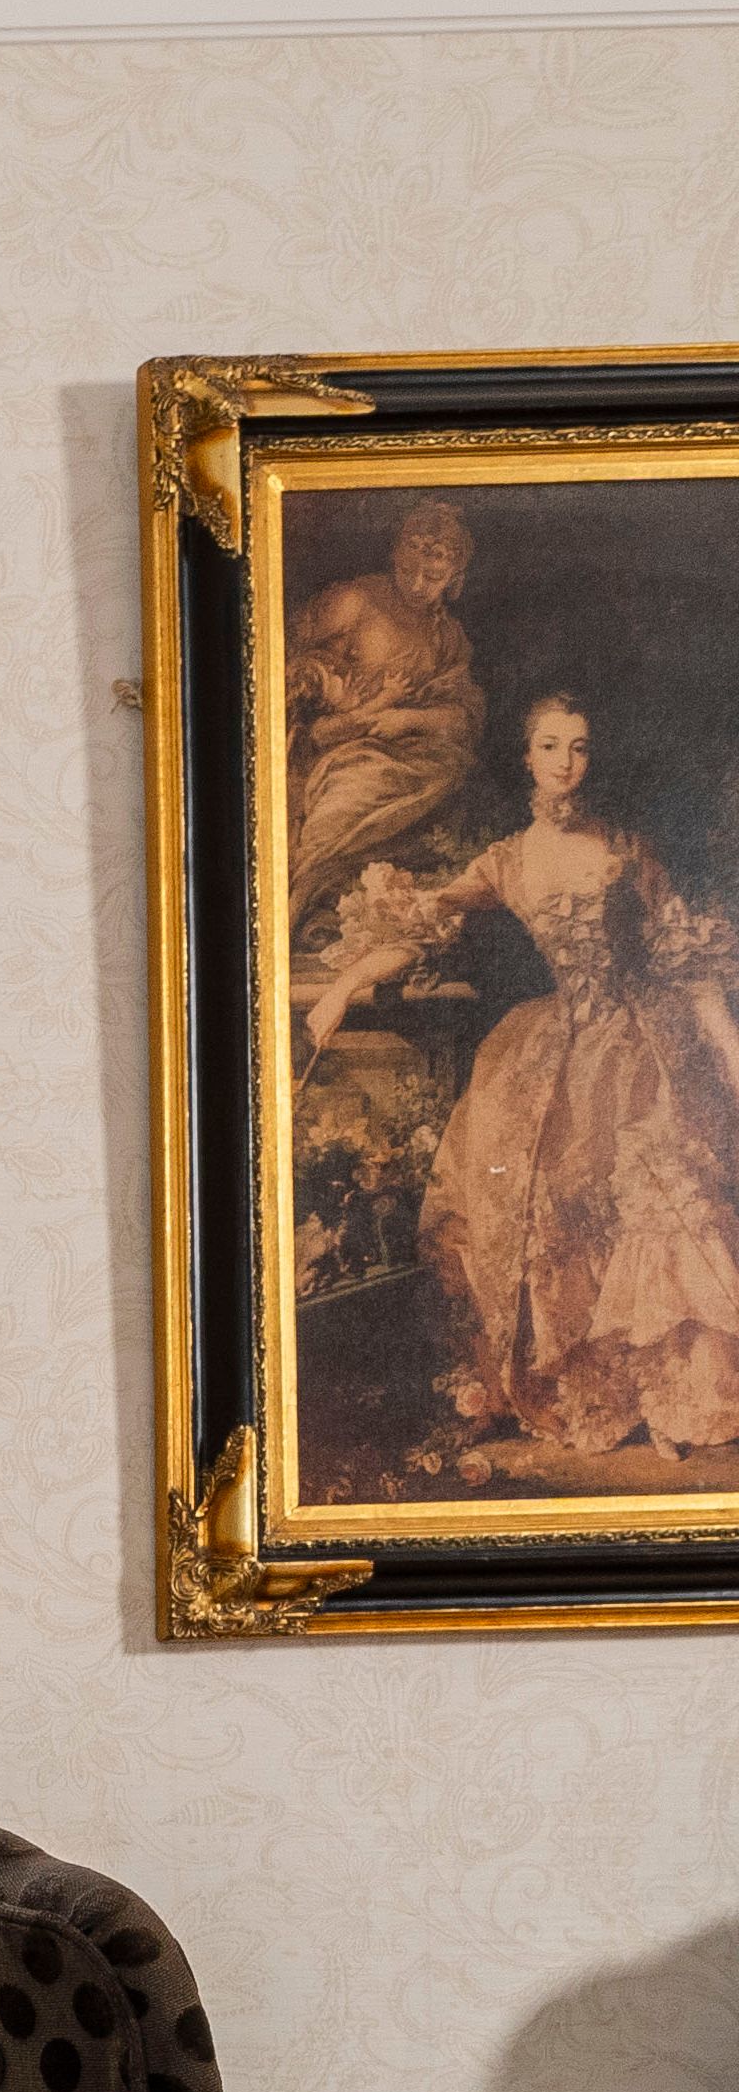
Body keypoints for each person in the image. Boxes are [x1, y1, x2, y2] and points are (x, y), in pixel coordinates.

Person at [310, 693, 739, 1460]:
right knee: (548, 1206)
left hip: (638, 1045)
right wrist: (340, 990)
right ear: (527, 758)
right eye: (550, 746)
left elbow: (690, 961)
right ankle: (595, 1392)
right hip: (554, 1045)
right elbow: (418, 928)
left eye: (578, 747)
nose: (566, 763)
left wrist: (729, 1052)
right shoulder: (505, 860)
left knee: (653, 1201)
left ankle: (670, 1396)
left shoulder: (628, 850)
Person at [283, 499, 483, 949]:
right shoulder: (354, 602)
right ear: (395, 554)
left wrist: (406, 718)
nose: (417, 584)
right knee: (351, 797)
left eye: (433, 577)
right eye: (409, 568)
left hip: (414, 753)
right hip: (333, 747)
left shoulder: (447, 638)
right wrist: (322, 683)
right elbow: (277, 658)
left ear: (454, 578)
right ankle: (292, 906)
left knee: (446, 776)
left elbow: (464, 715)